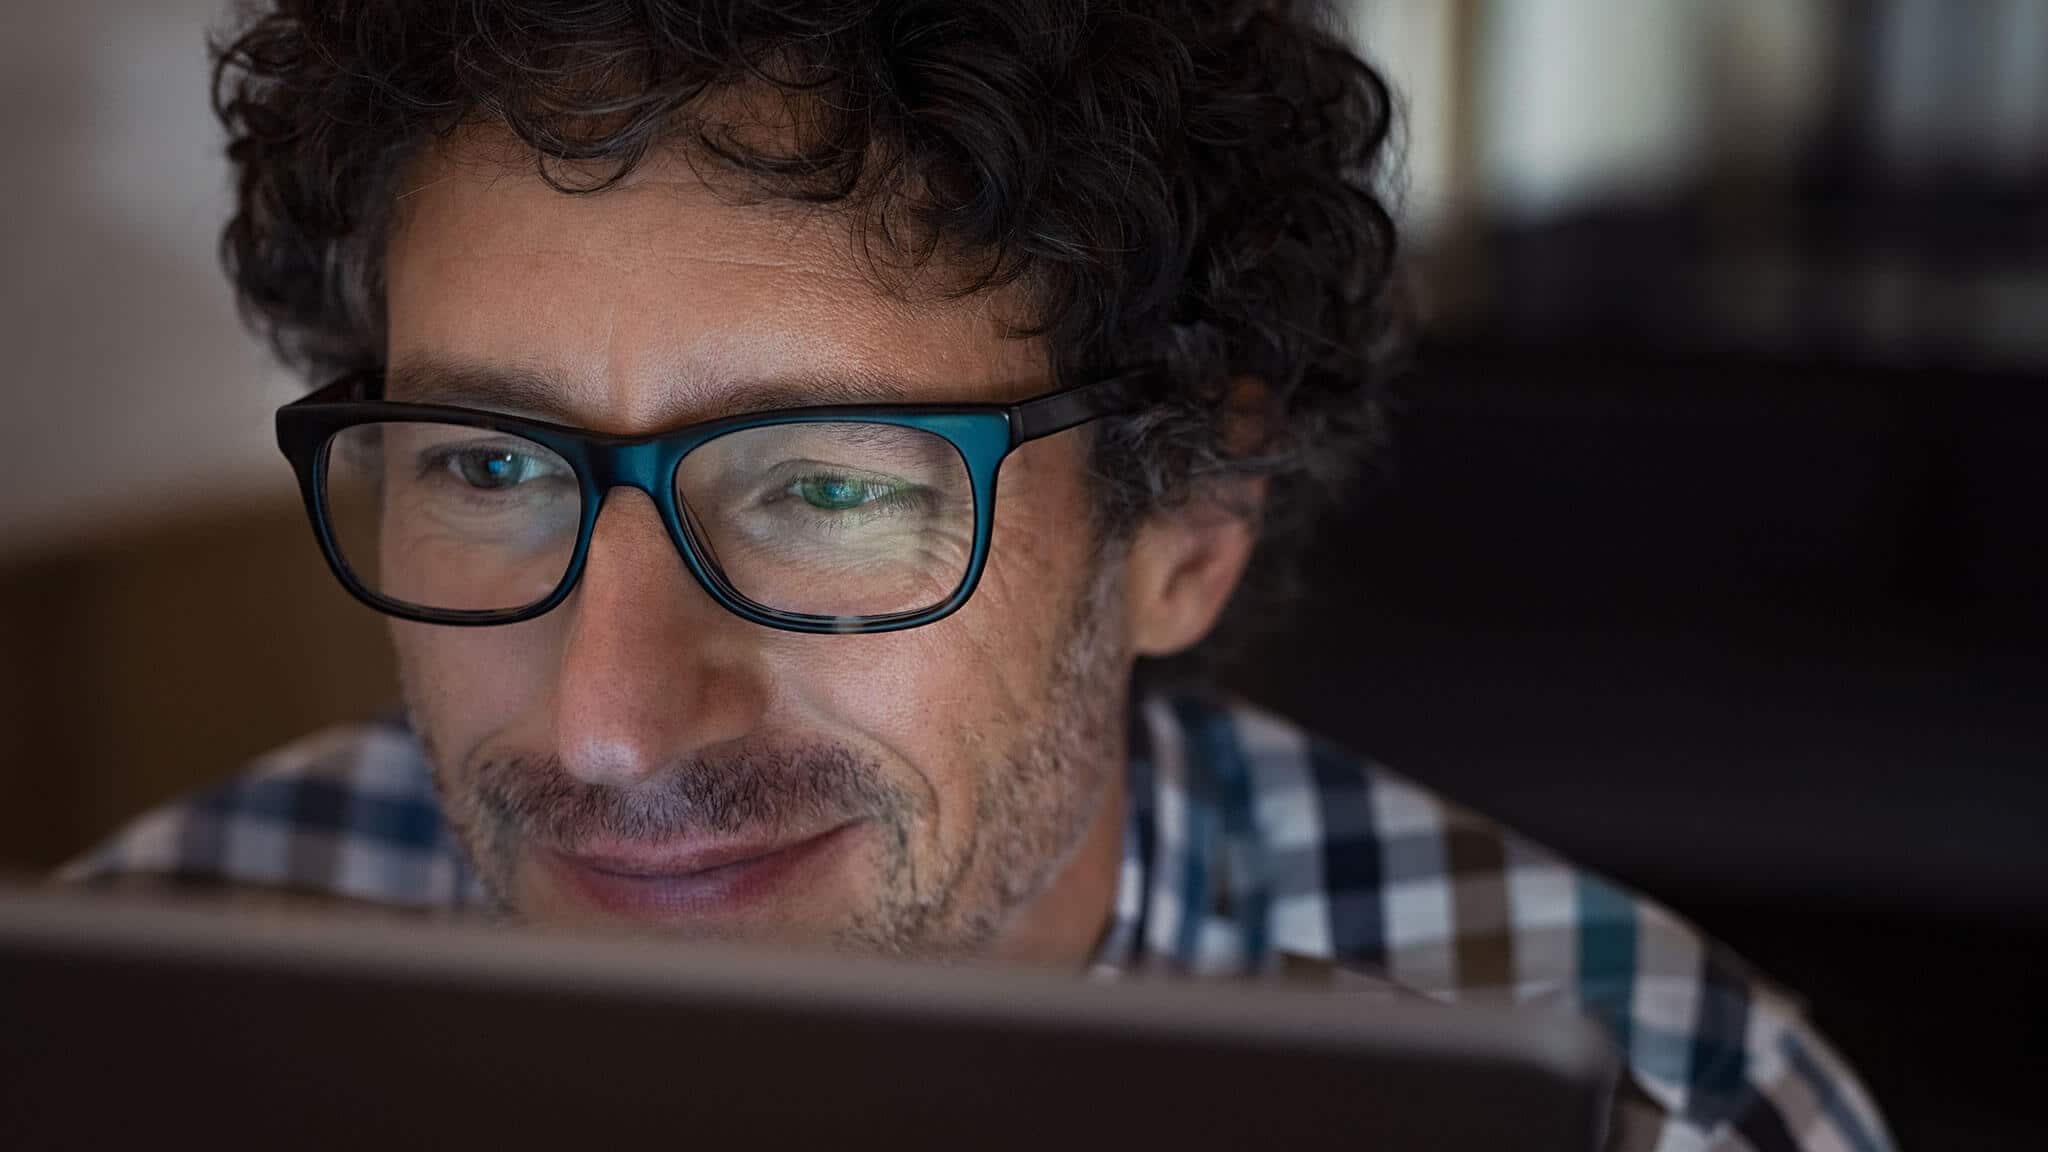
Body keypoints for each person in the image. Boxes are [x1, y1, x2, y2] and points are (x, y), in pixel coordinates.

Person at [63, 2, 1890, 1148]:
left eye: (832, 490)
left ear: (1187, 520)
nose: (608, 727)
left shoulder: (1657, 1116)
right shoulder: (112, 1035)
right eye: (485, 465)